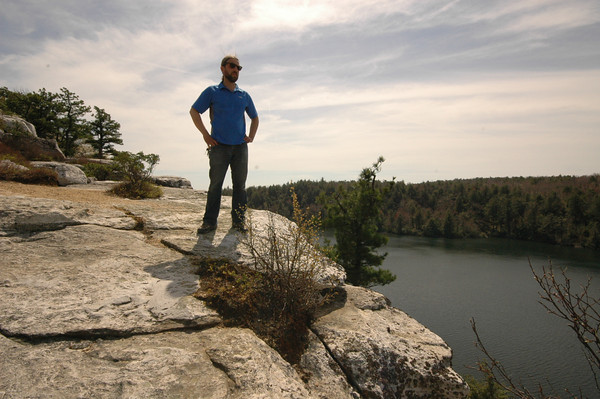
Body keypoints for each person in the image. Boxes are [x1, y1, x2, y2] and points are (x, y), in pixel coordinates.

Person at [190, 55, 259, 234]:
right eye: (232, 66)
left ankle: (238, 222)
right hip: (219, 146)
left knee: (240, 186)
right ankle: (209, 222)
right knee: (215, 185)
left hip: (240, 148)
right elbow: (194, 111)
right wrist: (205, 135)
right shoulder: (212, 92)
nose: (235, 69)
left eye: (238, 67)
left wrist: (250, 136)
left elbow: (255, 117)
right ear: (222, 68)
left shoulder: (243, 95)